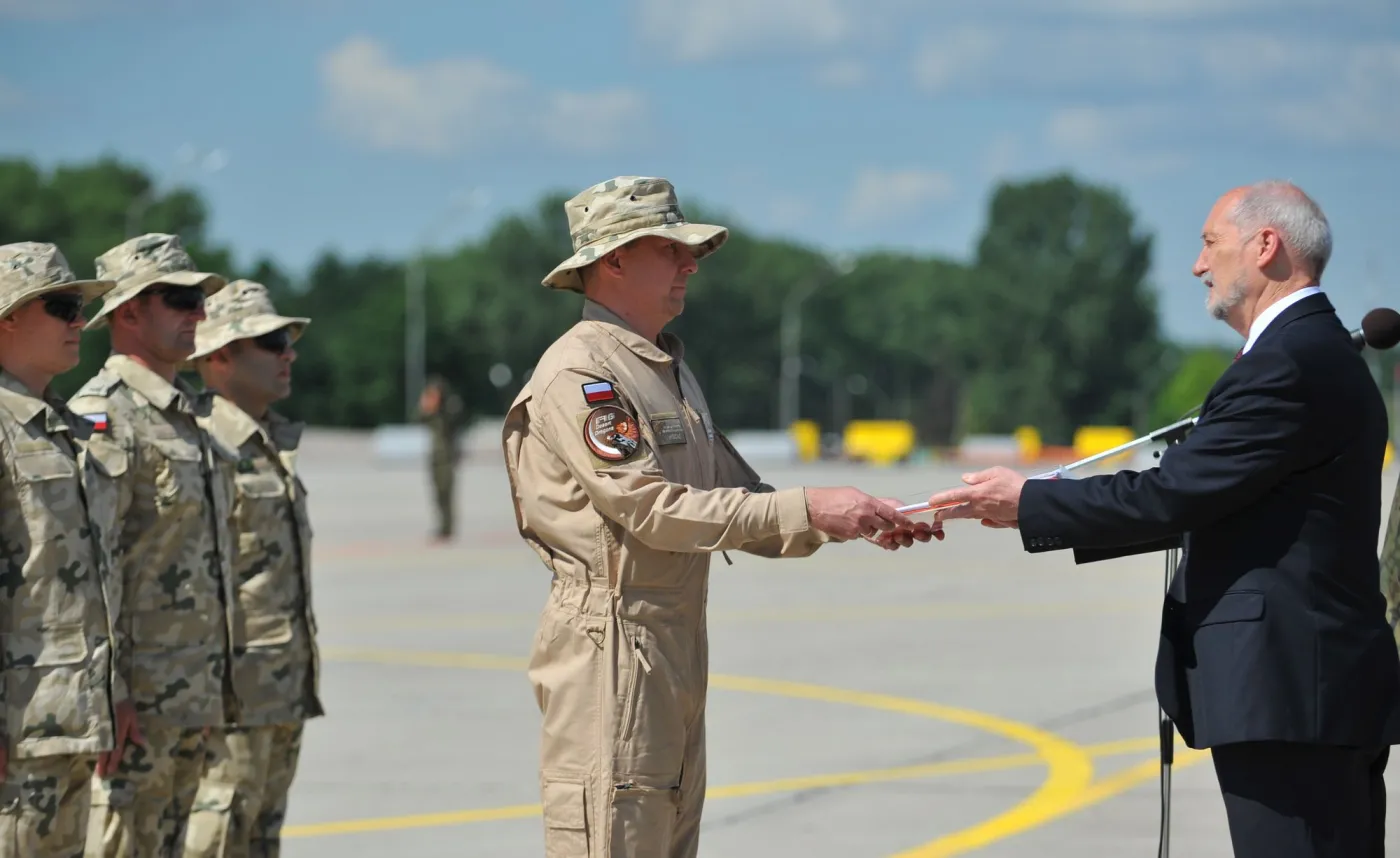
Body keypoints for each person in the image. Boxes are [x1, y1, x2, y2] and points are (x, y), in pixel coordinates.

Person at [927, 180, 1400, 858]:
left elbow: (1172, 495)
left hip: (1295, 696)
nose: (1198, 265)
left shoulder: (1287, 364)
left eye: (1210, 244)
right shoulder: (1310, 354)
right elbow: (1204, 496)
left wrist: (1030, 503)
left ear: (1266, 246)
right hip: (1311, 692)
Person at [500, 175, 935, 858]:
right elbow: (650, 510)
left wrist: (858, 515)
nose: (690, 265)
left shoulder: (663, 367)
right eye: (671, 249)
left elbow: (734, 493)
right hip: (613, 645)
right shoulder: (583, 374)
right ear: (613, 260)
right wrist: (813, 507)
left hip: (668, 642)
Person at [69, 233, 241, 858]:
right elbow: (92, 567)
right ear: (129, 312)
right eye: (178, 299)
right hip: (136, 702)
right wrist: (108, 694)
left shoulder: (187, 415)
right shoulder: (103, 415)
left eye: (198, 299)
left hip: (191, 690)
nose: (198, 313)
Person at [183, 280, 323, 858]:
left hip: (279, 686)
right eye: (269, 342)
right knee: (212, 840)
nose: (288, 353)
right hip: (226, 696)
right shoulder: (200, 444)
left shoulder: (266, 441)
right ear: (219, 356)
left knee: (260, 840)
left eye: (288, 339)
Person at [0, 242, 131, 857]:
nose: (79, 321)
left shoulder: (68, 428)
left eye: (79, 307)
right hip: (18, 728)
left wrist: (114, 693)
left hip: (73, 721)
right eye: (60, 306)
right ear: (9, 318)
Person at [417, 375, 465, 542]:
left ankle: (448, 527)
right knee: (437, 493)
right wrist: (427, 403)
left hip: (447, 457)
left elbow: (456, 419)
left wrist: (443, 404)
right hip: (436, 457)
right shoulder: (433, 413)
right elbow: (419, 417)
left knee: (446, 493)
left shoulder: (449, 409)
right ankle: (443, 526)